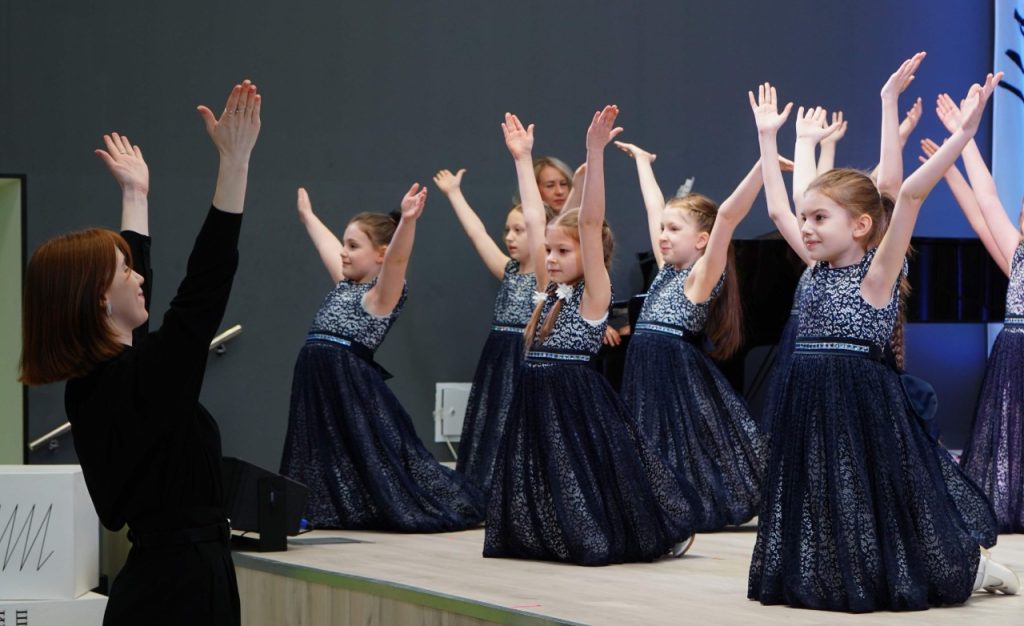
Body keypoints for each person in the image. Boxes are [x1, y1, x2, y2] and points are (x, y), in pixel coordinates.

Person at [747, 70, 1017, 612]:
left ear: (864, 226)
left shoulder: (877, 275)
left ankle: (971, 565)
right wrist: (769, 139)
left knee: (886, 501)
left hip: (862, 404)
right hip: (808, 399)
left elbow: (908, 192)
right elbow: (779, 209)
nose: (806, 228)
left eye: (820, 218)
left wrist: (959, 137)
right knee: (826, 496)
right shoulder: (812, 269)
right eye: (806, 220)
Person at [20, 79, 262, 625]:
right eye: (124, 270)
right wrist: (235, 162)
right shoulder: (134, 383)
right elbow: (203, 289)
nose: (140, 278)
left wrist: (136, 197)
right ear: (100, 300)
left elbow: (146, 319)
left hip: (168, 581)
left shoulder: (101, 383)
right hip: (179, 593)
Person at [484, 108, 701, 565]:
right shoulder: (546, 290)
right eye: (548, 250)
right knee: (546, 477)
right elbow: (533, 214)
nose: (553, 257)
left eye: (562, 251)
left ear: (590, 253)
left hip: (575, 398)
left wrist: (594, 154)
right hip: (534, 395)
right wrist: (522, 160)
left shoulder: (594, 295)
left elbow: (588, 220)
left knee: (590, 478)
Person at [278, 181, 485, 532]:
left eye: (353, 245)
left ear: (380, 255)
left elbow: (399, 258)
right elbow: (328, 246)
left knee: (375, 451)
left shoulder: (381, 295)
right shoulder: (345, 284)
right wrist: (308, 217)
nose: (343, 251)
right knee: (320, 446)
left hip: (350, 383)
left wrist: (407, 221)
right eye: (344, 243)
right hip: (316, 380)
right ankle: (315, 505)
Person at [615, 139, 767, 531]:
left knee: (684, 441)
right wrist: (644, 164)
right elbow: (653, 207)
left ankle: (686, 502)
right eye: (662, 230)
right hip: (643, 364)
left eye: (674, 229)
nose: (663, 235)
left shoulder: (702, 274)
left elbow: (729, 216)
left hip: (673, 365)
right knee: (651, 437)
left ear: (702, 240)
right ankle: (658, 502)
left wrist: (762, 166)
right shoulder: (666, 268)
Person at [431, 130, 550, 497]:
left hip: (524, 355)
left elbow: (537, 214)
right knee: (490, 419)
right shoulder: (508, 269)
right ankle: (487, 484)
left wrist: (523, 161)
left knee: (516, 423)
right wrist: (454, 195)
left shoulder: (545, 274)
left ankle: (517, 490)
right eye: (508, 230)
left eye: (520, 230)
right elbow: (476, 233)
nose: (510, 237)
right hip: (497, 355)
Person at [929, 92, 1024, 533]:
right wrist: (952, 165)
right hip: (1014, 356)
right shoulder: (1017, 257)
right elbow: (981, 214)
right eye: (1021, 211)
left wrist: (964, 140)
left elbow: (988, 203)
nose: (1020, 217)